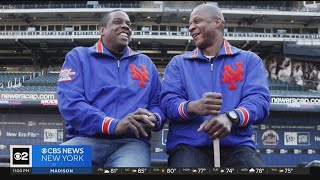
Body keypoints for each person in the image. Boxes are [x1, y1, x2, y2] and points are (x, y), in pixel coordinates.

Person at [160, 4, 270, 167]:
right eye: (190, 24)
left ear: (217, 22)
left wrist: (231, 117)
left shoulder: (249, 60)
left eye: (197, 21)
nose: (191, 27)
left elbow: (259, 102)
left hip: (237, 146)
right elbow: (168, 102)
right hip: (188, 146)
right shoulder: (179, 63)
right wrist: (193, 107)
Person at [57, 9, 166, 167]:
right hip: (85, 139)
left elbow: (158, 103)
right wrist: (113, 124)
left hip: (130, 143)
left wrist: (154, 118)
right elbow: (70, 103)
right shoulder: (78, 57)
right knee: (42, 165)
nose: (126, 26)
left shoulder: (145, 62)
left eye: (128, 24)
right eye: (118, 22)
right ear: (102, 30)